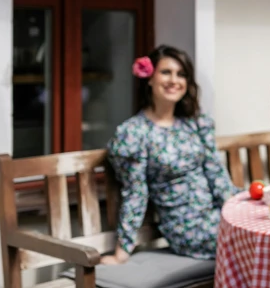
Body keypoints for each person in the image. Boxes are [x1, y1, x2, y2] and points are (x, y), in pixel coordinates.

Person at [101, 45, 240, 265]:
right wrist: (122, 252)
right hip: (188, 227)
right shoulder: (134, 133)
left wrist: (236, 211)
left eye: (181, 74)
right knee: (254, 241)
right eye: (166, 72)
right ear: (149, 78)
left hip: (219, 214)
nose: (174, 80)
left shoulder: (195, 123)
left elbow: (216, 172)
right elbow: (135, 193)